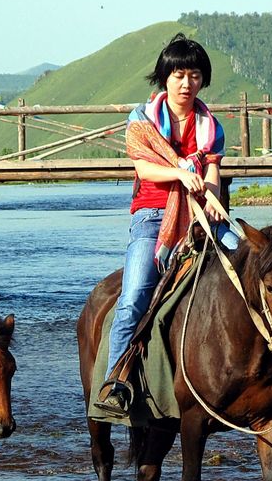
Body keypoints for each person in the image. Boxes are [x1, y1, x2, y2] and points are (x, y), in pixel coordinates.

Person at [96, 33, 229, 413]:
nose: (187, 84)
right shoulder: (142, 121)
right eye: (179, 75)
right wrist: (179, 173)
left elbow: (214, 172)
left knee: (249, 267)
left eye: (195, 76)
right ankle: (115, 380)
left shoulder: (210, 126)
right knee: (135, 295)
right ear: (165, 77)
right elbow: (142, 167)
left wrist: (214, 198)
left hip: (200, 214)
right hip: (152, 217)